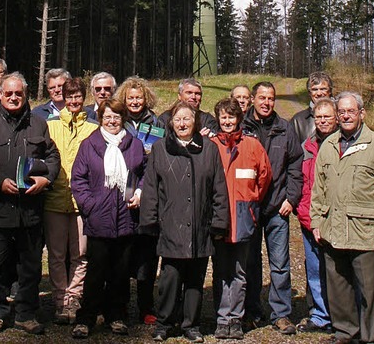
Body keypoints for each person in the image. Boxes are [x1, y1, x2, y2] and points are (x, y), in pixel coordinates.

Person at [0, 73, 61, 335]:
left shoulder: (38, 124)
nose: (13, 98)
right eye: (8, 94)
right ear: (0, 95)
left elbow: (52, 157)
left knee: (31, 265)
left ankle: (26, 313)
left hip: (30, 211)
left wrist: (46, 180)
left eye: (18, 94)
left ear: (25, 95)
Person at [310, 91, 374, 344]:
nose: (346, 115)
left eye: (351, 111)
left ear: (362, 113)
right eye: (342, 112)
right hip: (332, 229)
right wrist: (316, 221)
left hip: (365, 230)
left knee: (367, 289)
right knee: (338, 286)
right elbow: (318, 189)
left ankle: (369, 337)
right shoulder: (328, 145)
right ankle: (345, 332)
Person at [140, 100, 229, 343]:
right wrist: (149, 221)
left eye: (187, 119)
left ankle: (191, 324)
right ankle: (164, 323)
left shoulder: (209, 150)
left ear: (195, 122)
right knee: (169, 278)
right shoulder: (160, 149)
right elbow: (150, 188)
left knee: (195, 280)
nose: (182, 123)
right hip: (170, 225)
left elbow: (219, 189)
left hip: (200, 225)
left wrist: (219, 223)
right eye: (178, 119)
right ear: (171, 123)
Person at [70, 99, 145, 339]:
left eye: (116, 117)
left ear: (123, 119)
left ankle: (117, 315)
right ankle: (86, 318)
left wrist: (140, 193)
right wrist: (90, 206)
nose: (112, 121)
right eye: (107, 117)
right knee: (95, 272)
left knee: (121, 272)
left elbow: (144, 173)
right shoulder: (89, 144)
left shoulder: (134, 145)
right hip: (98, 220)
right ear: (100, 118)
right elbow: (78, 180)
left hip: (126, 218)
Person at [242, 81, 302, 335]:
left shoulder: (285, 129)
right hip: (249, 207)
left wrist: (292, 198)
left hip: (278, 207)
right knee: (250, 262)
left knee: (279, 263)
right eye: (262, 97)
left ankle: (281, 314)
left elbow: (296, 165)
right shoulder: (241, 126)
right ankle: (252, 311)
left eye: (271, 98)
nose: (267, 102)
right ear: (253, 99)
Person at [211, 98, 272, 341]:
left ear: (239, 119)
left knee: (239, 270)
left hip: (243, 216)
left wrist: (252, 200)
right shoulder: (211, 145)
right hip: (219, 216)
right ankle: (221, 318)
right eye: (223, 117)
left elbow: (264, 176)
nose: (227, 122)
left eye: (231, 117)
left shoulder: (253, 146)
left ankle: (235, 318)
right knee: (219, 270)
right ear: (218, 119)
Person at [44, 77, 97, 324]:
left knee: (80, 253)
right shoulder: (50, 126)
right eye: (70, 96)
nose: (74, 101)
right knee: (56, 254)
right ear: (62, 98)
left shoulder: (93, 129)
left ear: (84, 98)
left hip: (81, 203)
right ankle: (59, 299)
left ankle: (74, 297)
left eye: (78, 96)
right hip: (54, 200)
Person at [115, 76, 160, 324]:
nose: (134, 101)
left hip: (148, 194)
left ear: (146, 99)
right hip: (120, 193)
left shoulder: (156, 121)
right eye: (130, 97)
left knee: (147, 257)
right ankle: (119, 307)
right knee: (122, 255)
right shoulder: (117, 119)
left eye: (138, 97)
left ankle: (146, 306)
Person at [294, 97, 337, 335]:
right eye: (318, 117)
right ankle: (320, 315)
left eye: (327, 117)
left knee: (338, 272)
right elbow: (300, 180)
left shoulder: (344, 145)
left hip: (337, 221)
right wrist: (302, 209)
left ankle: (343, 317)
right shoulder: (306, 147)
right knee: (314, 269)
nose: (322, 121)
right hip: (309, 218)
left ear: (336, 118)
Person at [290, 72, 333, 144]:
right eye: (315, 89)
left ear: (330, 91)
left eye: (323, 89)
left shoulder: (340, 116)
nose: (319, 93)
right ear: (309, 93)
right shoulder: (297, 121)